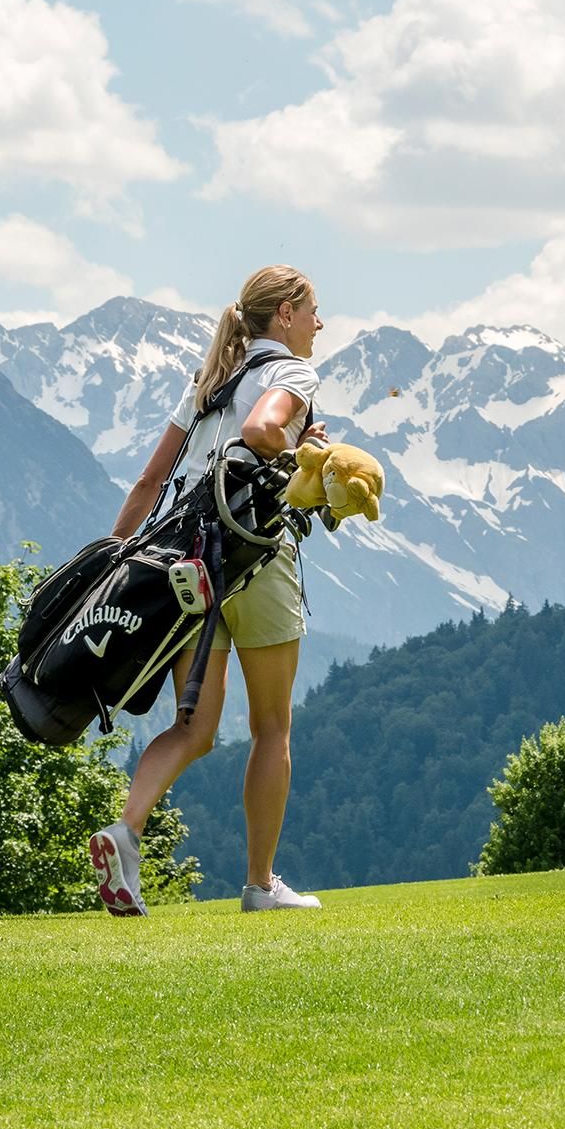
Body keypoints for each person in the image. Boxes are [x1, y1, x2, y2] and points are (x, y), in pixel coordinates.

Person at [89, 265, 330, 917]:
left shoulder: (206, 385)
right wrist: (304, 457)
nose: (319, 323)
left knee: (192, 728)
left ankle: (126, 829)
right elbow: (260, 431)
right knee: (271, 725)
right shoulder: (292, 375)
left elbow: (147, 482)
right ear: (283, 314)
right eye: (312, 310)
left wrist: (111, 559)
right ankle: (259, 885)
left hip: (183, 565)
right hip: (252, 554)